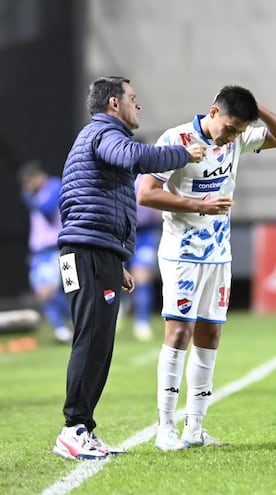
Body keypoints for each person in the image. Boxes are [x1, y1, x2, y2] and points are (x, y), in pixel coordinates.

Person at [52, 76, 207, 461]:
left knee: (95, 339)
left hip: (88, 251)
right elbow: (137, 159)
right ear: (112, 104)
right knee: (92, 340)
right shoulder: (104, 134)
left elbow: (84, 201)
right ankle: (73, 429)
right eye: (132, 99)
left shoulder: (95, 139)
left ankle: (81, 428)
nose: (138, 105)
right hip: (87, 253)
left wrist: (116, 258)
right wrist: (183, 153)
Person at [138, 85, 276, 451]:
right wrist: (198, 205)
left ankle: (195, 428)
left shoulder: (237, 139)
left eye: (240, 130)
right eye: (229, 127)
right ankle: (165, 427)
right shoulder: (175, 139)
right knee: (179, 333)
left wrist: (258, 110)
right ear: (213, 112)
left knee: (210, 336)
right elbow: (145, 193)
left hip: (218, 254)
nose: (233, 136)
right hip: (182, 252)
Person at [17, 160, 73, 344]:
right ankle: (64, 328)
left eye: (29, 183)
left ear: (37, 177)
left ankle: (68, 327)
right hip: (39, 251)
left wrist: (30, 199)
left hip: (56, 248)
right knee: (43, 293)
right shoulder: (35, 194)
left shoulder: (54, 186)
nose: (27, 188)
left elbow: (48, 210)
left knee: (52, 291)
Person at [120, 174, 164, 341]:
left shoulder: (149, 177)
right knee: (118, 276)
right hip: (124, 233)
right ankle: (119, 310)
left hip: (146, 233)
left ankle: (142, 322)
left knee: (142, 277)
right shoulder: (116, 178)